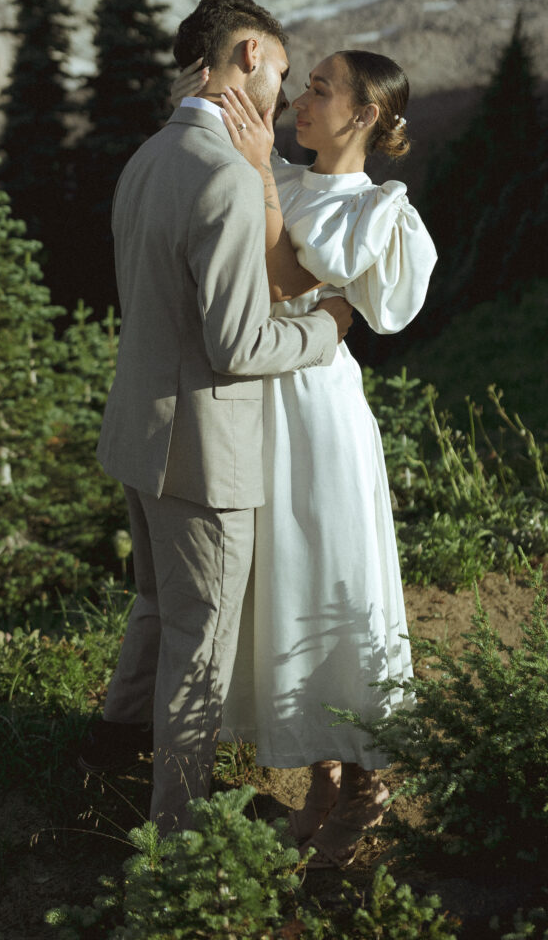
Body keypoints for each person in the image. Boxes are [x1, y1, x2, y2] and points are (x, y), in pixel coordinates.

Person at [79, 0, 354, 836]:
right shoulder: (227, 175)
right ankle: (181, 835)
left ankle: (102, 764)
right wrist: (326, 328)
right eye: (277, 68)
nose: (279, 88)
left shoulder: (151, 156)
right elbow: (237, 344)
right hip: (202, 451)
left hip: (139, 435)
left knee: (156, 609)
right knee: (197, 647)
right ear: (242, 58)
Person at [173, 49, 437, 867]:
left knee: (335, 573)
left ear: (361, 114)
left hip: (318, 415)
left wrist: (256, 174)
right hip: (262, 408)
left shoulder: (372, 207)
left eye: (320, 89)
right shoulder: (278, 174)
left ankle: (370, 779)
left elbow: (284, 277)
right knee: (284, 579)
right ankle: (325, 772)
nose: (299, 98)